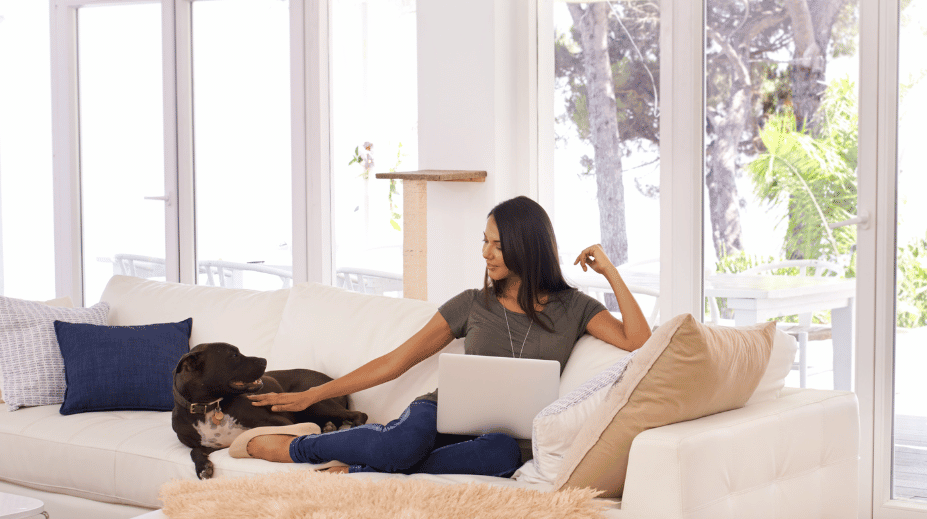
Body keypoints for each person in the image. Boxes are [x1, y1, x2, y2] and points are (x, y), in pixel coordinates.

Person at [240, 196, 651, 477]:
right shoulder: (472, 304)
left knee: (503, 455)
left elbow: (638, 340)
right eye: (484, 242)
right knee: (401, 445)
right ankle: (300, 449)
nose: (485, 254)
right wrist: (313, 395)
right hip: (439, 413)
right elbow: (396, 361)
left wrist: (610, 273)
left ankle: (364, 467)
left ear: (527, 248)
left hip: (502, 437)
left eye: (497, 245)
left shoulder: (574, 307)